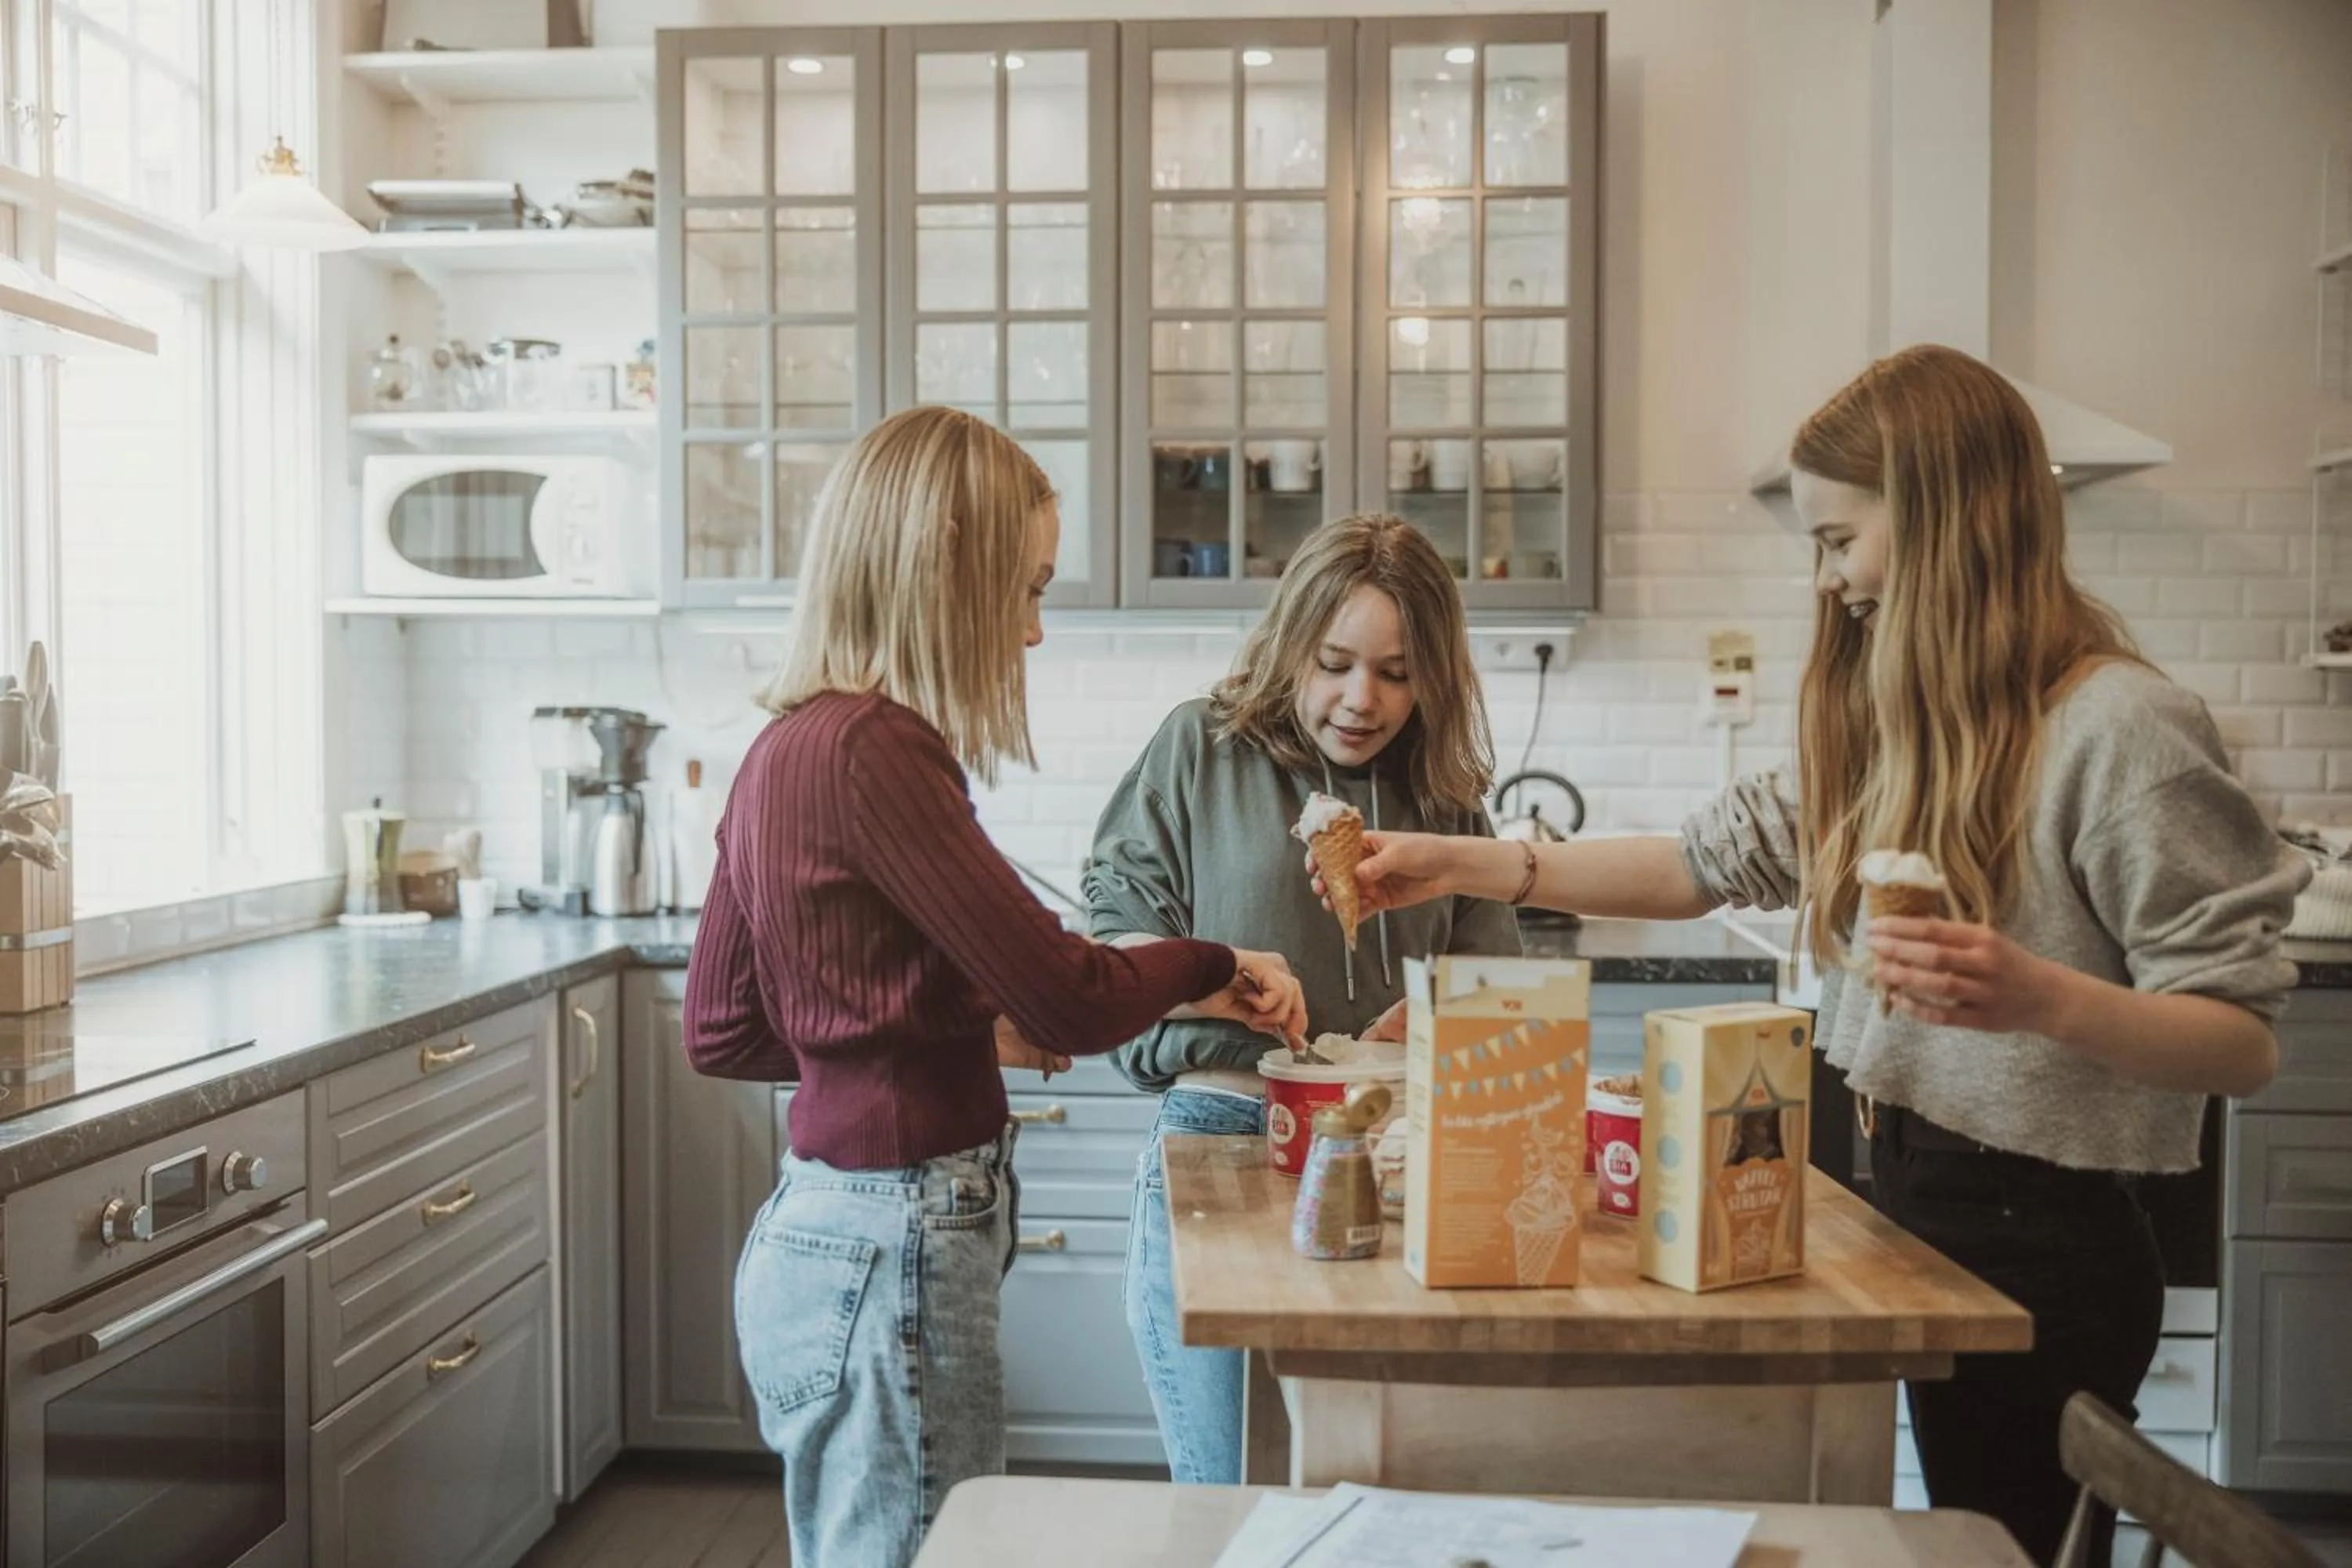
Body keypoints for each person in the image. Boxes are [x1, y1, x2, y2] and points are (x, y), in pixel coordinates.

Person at [1312, 347, 2304, 1566]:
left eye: (1841, 541)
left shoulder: (2123, 732)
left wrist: (2036, 994)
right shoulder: (1910, 719)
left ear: (1943, 518)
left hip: (2043, 1233)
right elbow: (1698, 863)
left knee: (2000, 1548)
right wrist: (1456, 860)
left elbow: (2242, 1039)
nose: (1830, 581)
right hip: (1899, 1192)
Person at [682, 407, 1308, 1568]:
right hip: (899, 1240)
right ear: (941, 579)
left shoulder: (781, 748)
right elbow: (1071, 993)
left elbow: (726, 1030)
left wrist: (950, 1035)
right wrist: (1220, 961)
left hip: (812, 1234)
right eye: (1021, 590)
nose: (1028, 630)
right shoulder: (880, 750)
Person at [1086, 514, 1523, 1486]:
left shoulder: (1444, 791)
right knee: (1233, 1490)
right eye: (1334, 662)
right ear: (1292, 645)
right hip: (1224, 1143)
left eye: (1398, 672)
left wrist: (1450, 1020)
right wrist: (1207, 973)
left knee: (1381, 1498)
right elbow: (1109, 954)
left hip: (1405, 1165)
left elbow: (1502, 991)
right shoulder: (1201, 748)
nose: (1362, 699)